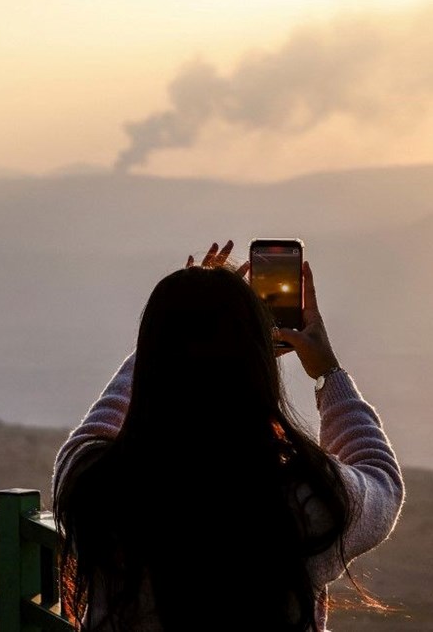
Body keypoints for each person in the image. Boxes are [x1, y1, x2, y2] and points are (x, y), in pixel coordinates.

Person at [52, 241, 404, 631]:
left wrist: (172, 335)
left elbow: (91, 433)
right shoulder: (306, 498)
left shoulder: (99, 488)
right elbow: (380, 478)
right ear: (256, 366)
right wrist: (327, 373)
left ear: (153, 359)